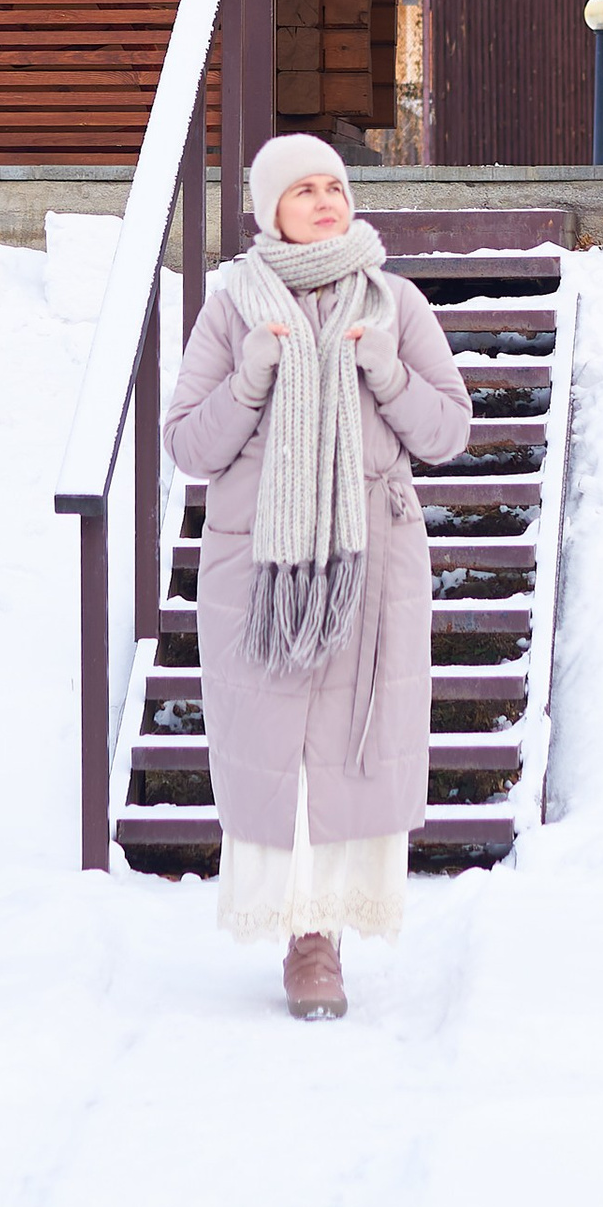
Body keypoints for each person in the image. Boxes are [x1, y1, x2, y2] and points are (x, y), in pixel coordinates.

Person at [162, 134, 472, 1020]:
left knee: (345, 749)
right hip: (261, 568)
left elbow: (448, 430)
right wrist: (254, 376)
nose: (328, 200)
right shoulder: (232, 309)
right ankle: (299, 933)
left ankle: (323, 938)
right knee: (277, 756)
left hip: (369, 560)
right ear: (269, 210)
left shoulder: (394, 301)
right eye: (304, 190)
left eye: (335, 185)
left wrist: (386, 367)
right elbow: (189, 446)